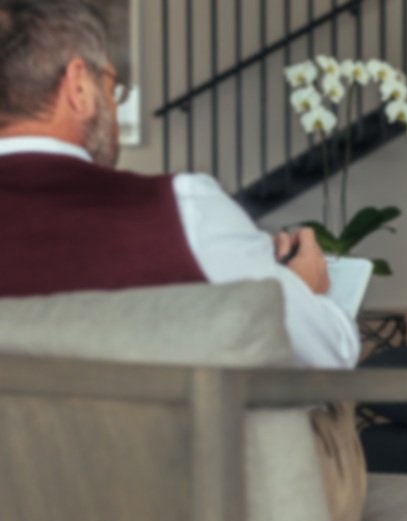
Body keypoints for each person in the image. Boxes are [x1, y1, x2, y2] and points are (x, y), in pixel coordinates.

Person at [0, 0, 358, 368]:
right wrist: (303, 291)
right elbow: (330, 358)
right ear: (78, 87)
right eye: (111, 86)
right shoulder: (183, 210)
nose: (113, 103)